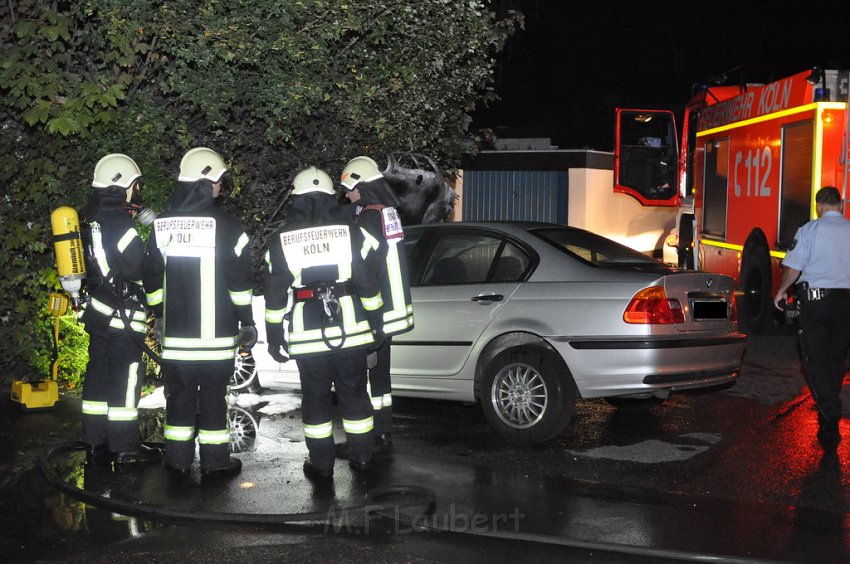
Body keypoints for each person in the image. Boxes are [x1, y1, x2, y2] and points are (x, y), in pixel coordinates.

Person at [264, 166, 384, 481]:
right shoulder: (351, 231)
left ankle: (321, 464)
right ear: (332, 199)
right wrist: (376, 324)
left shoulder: (283, 239)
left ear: (297, 201)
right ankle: (362, 458)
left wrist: (274, 336)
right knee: (355, 394)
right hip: (350, 328)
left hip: (307, 333)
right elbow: (368, 283)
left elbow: (275, 293)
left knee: (315, 399)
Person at [144, 147, 256, 477]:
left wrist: (158, 314)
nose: (221, 187)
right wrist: (246, 320)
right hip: (218, 338)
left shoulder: (162, 224)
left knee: (178, 399)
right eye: (219, 180)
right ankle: (215, 463)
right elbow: (240, 281)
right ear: (205, 182)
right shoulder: (228, 225)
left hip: (177, 340)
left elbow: (151, 276)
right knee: (212, 400)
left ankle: (177, 462)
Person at [78, 153, 161, 465]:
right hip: (123, 312)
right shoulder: (119, 222)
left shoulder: (88, 217)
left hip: (99, 309)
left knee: (98, 374)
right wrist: (154, 241)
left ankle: (95, 442)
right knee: (126, 378)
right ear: (122, 186)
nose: (137, 192)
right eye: (134, 186)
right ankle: (126, 448)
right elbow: (138, 267)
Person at [340, 156, 414, 451]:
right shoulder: (389, 213)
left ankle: (366, 437)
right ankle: (382, 431)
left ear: (364, 187)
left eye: (350, 189)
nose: (346, 194)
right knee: (380, 375)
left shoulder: (369, 218)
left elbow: (362, 265)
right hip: (394, 308)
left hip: (377, 310)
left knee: (363, 375)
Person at [773, 186, 850, 448]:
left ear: (818, 205)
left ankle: (830, 409)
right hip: (846, 305)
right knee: (836, 357)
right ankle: (829, 405)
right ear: (841, 204)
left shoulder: (809, 230)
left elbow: (793, 268)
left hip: (816, 305)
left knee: (814, 359)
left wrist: (782, 291)